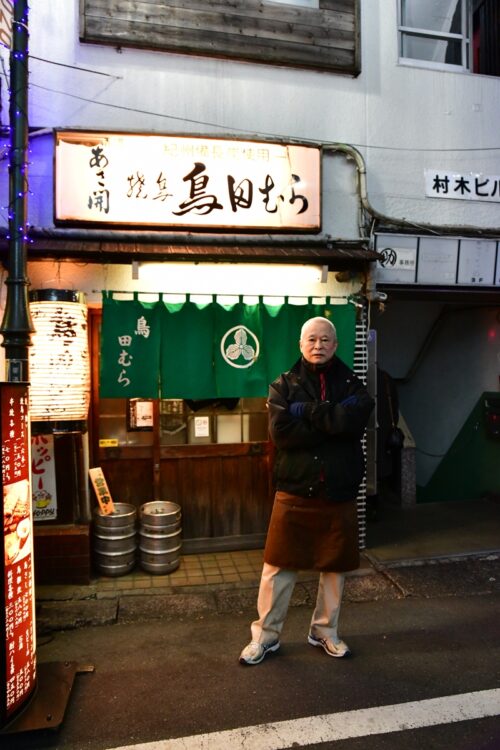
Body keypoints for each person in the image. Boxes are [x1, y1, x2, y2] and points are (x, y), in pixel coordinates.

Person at [239, 316, 374, 665]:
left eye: (325, 340)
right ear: (301, 345)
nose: (318, 345)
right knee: (277, 565)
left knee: (335, 568)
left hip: (338, 488)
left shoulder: (352, 384)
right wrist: (331, 421)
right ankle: (265, 636)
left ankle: (324, 631)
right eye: (311, 339)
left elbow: (354, 423)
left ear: (336, 345)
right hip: (296, 487)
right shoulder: (282, 385)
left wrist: (308, 413)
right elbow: (283, 434)